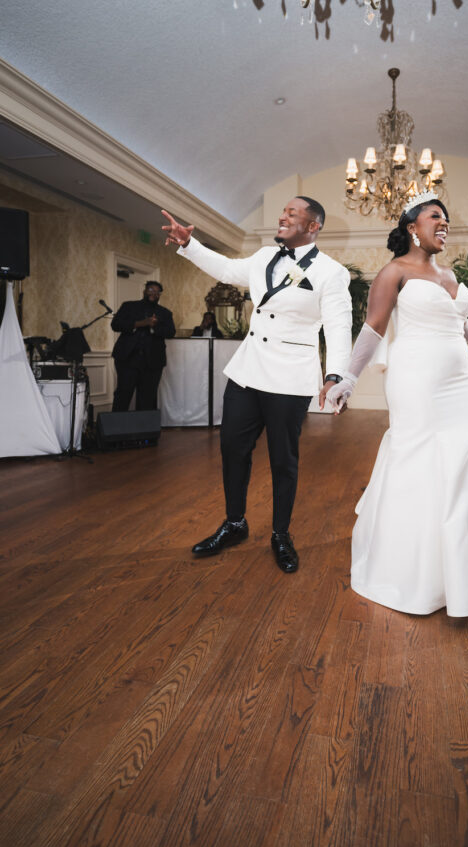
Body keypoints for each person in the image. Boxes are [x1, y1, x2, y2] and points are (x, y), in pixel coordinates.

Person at [327, 192, 468, 618]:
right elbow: (374, 328)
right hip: (417, 379)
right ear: (413, 227)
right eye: (436, 216)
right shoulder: (394, 271)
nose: (444, 222)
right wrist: (349, 378)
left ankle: (465, 560)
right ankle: (414, 568)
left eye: (447, 217)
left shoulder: (448, 274)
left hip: (461, 382)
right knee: (421, 458)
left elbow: (459, 321)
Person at [162, 197, 352, 573]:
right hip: (248, 372)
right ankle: (235, 523)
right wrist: (189, 244)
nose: (282, 217)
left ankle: (281, 534)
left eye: (292, 214)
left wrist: (335, 375)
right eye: (283, 212)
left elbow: (338, 325)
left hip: (289, 377)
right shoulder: (265, 256)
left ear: (313, 226)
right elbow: (227, 269)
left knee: (283, 461)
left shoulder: (332, 272)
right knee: (232, 449)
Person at [111, 280, 175, 411]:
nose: (154, 294)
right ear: (144, 291)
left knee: (148, 398)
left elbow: (170, 332)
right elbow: (115, 324)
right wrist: (140, 323)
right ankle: (116, 430)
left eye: (158, 292)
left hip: (153, 361)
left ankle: (144, 431)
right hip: (127, 359)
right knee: (123, 394)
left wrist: (155, 326)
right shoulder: (128, 306)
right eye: (151, 290)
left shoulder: (165, 313)